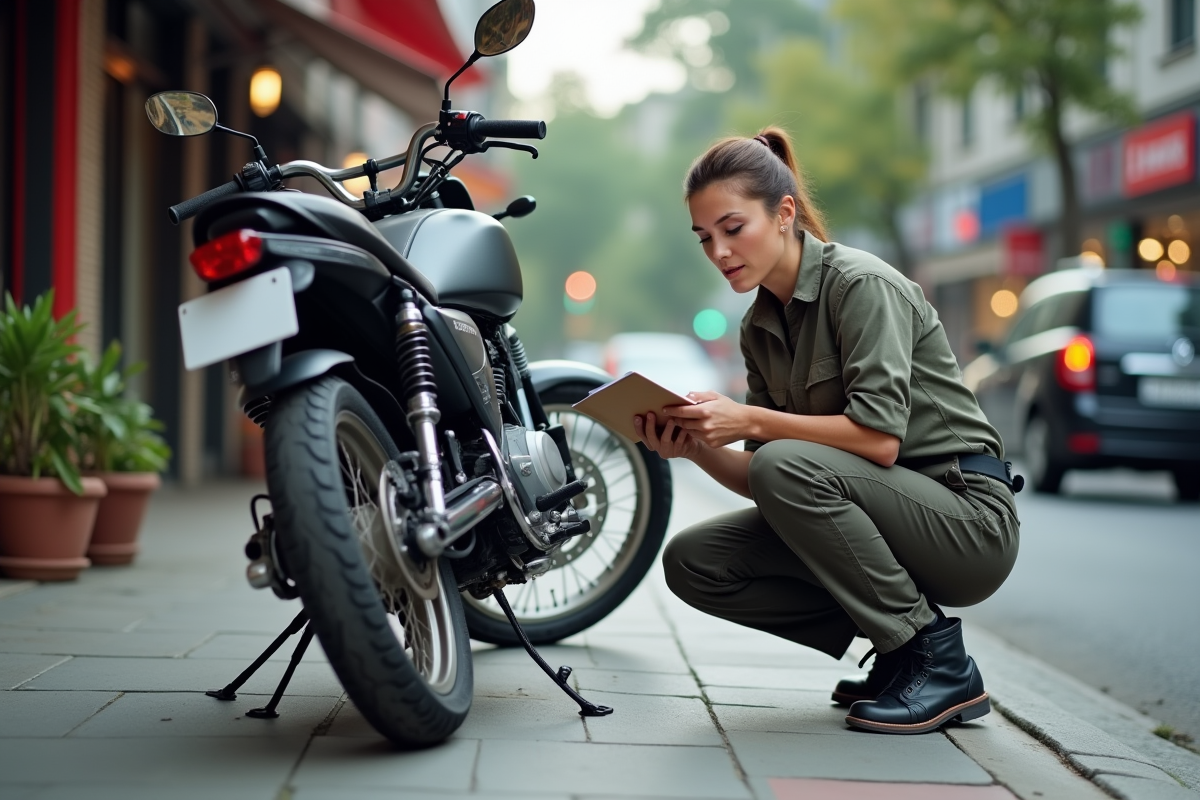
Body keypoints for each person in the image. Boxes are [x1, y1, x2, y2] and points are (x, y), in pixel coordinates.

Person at [633, 127, 1021, 735]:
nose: (719, 251)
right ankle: (899, 651)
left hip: (967, 522)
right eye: (705, 238)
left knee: (785, 461)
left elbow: (879, 441)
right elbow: (768, 479)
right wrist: (698, 447)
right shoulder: (758, 326)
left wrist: (750, 417)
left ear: (784, 213)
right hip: (887, 522)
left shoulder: (861, 285)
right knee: (694, 561)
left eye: (733, 229)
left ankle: (935, 660)